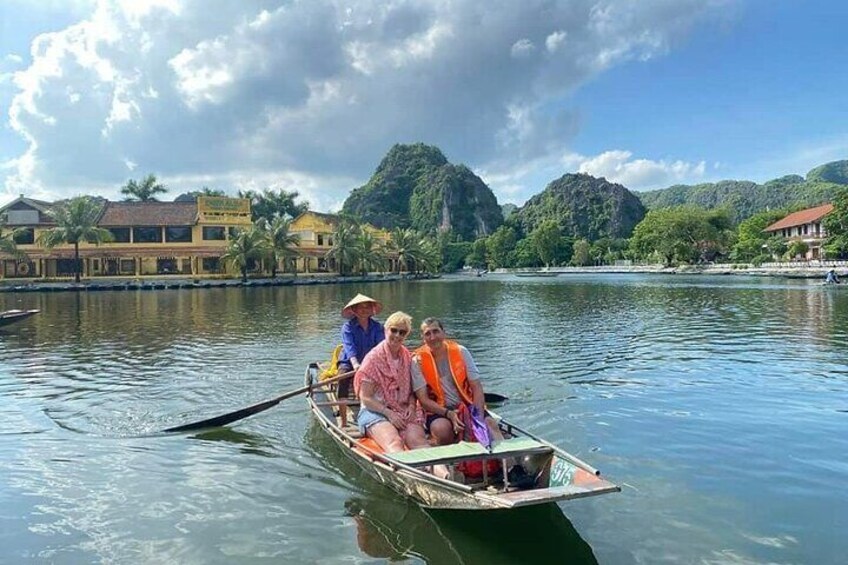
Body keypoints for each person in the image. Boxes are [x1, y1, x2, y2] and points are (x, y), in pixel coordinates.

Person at [411, 317, 533, 487]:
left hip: (467, 404)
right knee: (442, 430)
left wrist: (478, 413)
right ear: (423, 338)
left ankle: (511, 468)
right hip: (439, 410)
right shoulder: (417, 360)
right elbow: (423, 400)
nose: (432, 337)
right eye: (427, 334)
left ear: (444, 332)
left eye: (436, 331)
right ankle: (451, 464)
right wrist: (449, 413)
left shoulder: (460, 351)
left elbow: (476, 386)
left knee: (490, 424)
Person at [354, 311, 429, 454]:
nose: (397, 335)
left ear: (406, 335)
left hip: (402, 407)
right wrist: (389, 413)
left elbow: (410, 391)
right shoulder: (373, 359)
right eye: (394, 330)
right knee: (394, 442)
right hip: (375, 410)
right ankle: (408, 475)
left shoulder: (407, 356)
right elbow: (366, 397)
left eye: (402, 332)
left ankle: (443, 475)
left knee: (419, 442)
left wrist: (412, 406)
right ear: (386, 330)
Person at [337, 294, 385, 426]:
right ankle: (343, 420)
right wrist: (356, 365)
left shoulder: (377, 327)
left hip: (371, 362)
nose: (364, 310)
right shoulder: (348, 327)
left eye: (367, 307)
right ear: (354, 310)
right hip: (350, 361)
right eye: (360, 307)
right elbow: (349, 347)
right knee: (342, 378)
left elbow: (381, 347)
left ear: (372, 310)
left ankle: (381, 410)